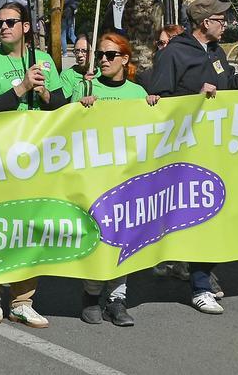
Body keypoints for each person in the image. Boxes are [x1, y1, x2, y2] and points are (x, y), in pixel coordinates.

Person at [147, 0, 238, 315]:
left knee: (218, 214)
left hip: (217, 147)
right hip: (186, 151)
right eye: (219, 19)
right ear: (204, 23)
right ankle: (200, 286)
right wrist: (195, 99)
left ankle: (196, 271)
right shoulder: (174, 53)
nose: (224, 23)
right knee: (200, 218)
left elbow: (230, 88)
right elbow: (160, 104)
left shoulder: (216, 52)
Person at [0, 2, 67, 328]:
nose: (4, 27)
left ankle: (23, 299)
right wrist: (22, 88)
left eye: (11, 22)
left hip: (36, 160)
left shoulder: (43, 61)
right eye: (0, 23)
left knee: (31, 229)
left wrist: (45, 95)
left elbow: (61, 108)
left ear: (26, 26)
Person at [78, 33, 158, 326]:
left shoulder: (137, 93)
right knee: (98, 236)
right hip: (94, 177)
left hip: (126, 178)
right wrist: (81, 105)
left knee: (124, 236)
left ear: (125, 59)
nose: (103, 60)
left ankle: (117, 299)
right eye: (100, 54)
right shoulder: (86, 87)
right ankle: (90, 295)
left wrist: (153, 105)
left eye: (110, 55)